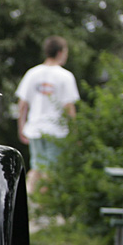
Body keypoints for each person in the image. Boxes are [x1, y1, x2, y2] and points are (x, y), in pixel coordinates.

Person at [16, 35, 80, 196]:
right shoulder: (65, 76)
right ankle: (48, 204)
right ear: (60, 52)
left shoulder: (32, 73)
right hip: (57, 131)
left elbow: (22, 104)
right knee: (53, 169)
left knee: (37, 166)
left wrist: (21, 127)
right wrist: (75, 131)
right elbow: (69, 107)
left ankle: (32, 201)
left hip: (35, 129)